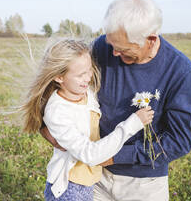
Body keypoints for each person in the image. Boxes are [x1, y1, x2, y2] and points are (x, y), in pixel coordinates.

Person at [41, 0, 191, 201]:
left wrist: (115, 156)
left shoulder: (180, 72)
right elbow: (63, 78)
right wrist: (44, 125)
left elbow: (178, 142)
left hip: (144, 185)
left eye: (123, 49)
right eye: (111, 44)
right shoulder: (103, 47)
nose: (113, 54)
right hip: (94, 177)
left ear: (150, 40)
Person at [21, 39, 155, 200]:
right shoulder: (57, 111)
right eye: (80, 75)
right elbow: (90, 155)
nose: (88, 78)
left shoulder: (85, 92)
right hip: (69, 188)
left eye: (89, 70)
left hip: (89, 183)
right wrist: (132, 125)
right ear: (59, 77)